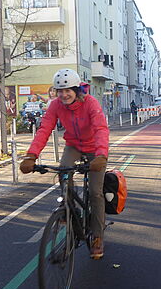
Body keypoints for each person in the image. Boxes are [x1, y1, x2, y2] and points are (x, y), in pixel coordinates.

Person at [19, 69, 110, 259]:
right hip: (74, 146)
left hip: (95, 148)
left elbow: (101, 128)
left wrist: (101, 155)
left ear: (77, 90)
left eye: (68, 90)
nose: (63, 94)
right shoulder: (55, 106)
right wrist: (31, 155)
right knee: (63, 172)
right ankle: (70, 209)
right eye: (60, 91)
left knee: (95, 192)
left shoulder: (91, 103)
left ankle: (97, 237)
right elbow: (44, 129)